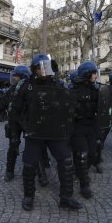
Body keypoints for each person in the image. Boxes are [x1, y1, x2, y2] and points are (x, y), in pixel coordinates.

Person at [10, 53, 82, 211]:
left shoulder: (59, 84)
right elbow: (15, 110)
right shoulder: (25, 85)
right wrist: (20, 129)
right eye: (39, 68)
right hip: (34, 132)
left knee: (66, 161)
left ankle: (66, 197)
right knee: (29, 163)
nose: (43, 71)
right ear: (34, 69)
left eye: (45, 67)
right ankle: (29, 196)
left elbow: (68, 107)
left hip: (54, 131)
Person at [70, 61, 99, 199]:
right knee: (82, 155)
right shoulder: (73, 91)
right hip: (78, 127)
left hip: (91, 126)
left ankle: (80, 171)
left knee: (92, 154)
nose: (96, 75)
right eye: (94, 73)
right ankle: (84, 184)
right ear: (87, 74)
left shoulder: (96, 90)